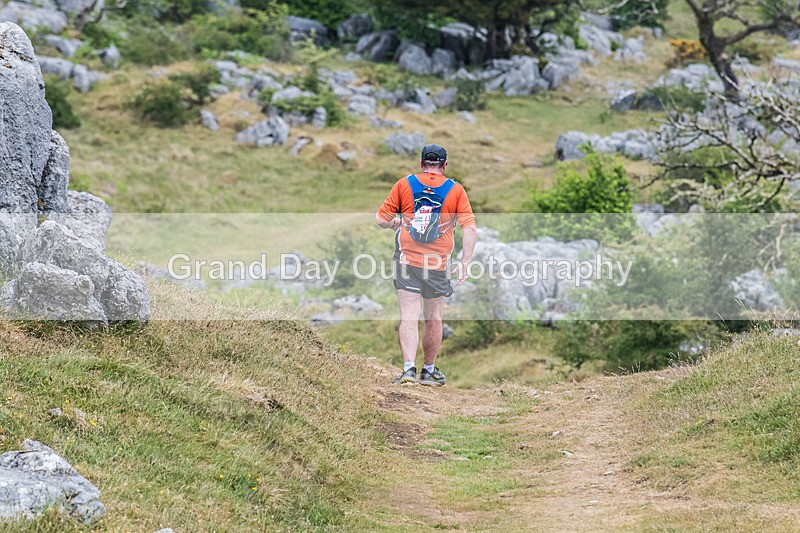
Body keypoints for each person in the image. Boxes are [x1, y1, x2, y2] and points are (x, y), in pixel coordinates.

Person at [375, 144, 477, 386]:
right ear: (444, 165)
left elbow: (380, 219)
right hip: (437, 264)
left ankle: (408, 369)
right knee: (433, 317)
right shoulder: (455, 190)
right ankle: (428, 371)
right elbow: (469, 228)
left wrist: (396, 223)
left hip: (406, 260)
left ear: (421, 163)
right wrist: (465, 262)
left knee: (409, 315)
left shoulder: (404, 184)